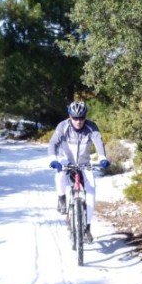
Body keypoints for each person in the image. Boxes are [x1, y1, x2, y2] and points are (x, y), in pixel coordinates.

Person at [48, 101, 109, 243]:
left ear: (85, 117)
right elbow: (53, 143)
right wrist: (53, 159)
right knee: (60, 173)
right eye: (75, 118)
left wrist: (102, 158)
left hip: (84, 164)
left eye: (81, 118)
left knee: (91, 192)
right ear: (70, 116)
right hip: (66, 161)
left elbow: (99, 143)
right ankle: (61, 198)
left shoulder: (91, 126)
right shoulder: (63, 126)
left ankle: (87, 228)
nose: (78, 121)